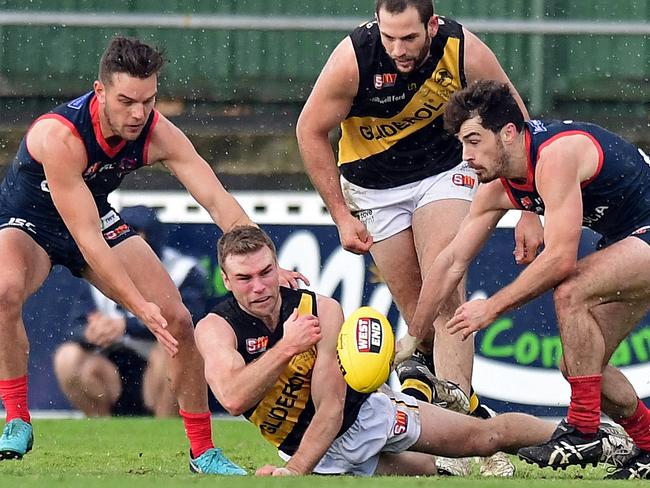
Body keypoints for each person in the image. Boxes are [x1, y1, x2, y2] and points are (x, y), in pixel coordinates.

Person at [0, 37, 305, 474]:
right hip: (29, 221)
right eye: (126, 101)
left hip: (93, 217)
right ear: (100, 91)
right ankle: (15, 418)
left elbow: (216, 199)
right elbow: (88, 241)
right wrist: (136, 305)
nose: (138, 114)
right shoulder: (59, 136)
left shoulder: (155, 130)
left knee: (178, 321)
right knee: (4, 291)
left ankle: (203, 452)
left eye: (148, 101)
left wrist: (265, 264)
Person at [194, 225, 635, 477]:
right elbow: (233, 397)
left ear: (278, 266)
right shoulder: (216, 328)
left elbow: (330, 409)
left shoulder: (319, 309)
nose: (259, 287)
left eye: (266, 272)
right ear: (227, 280)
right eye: (245, 278)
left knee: (485, 438)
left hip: (367, 418)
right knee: (438, 476)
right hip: (307, 449)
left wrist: (294, 475)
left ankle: (596, 436)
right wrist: (287, 348)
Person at [296, 0, 542, 444]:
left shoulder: (462, 48)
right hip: (373, 187)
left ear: (432, 24)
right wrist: (339, 216)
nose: (398, 49)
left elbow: (514, 117)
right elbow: (309, 130)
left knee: (446, 293)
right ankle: (455, 414)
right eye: (389, 37)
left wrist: (529, 205)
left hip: (444, 171)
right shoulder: (354, 58)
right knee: (419, 324)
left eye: (409, 37)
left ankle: (466, 444)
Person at [407, 79, 650, 479]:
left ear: (507, 132)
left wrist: (491, 308)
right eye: (461, 144)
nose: (465, 156)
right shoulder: (497, 184)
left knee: (570, 288)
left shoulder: (554, 157)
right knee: (579, 367)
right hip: (629, 241)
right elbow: (450, 260)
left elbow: (559, 261)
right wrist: (414, 337)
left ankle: (584, 429)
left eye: (473, 141)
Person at [53, 205, 209, 417]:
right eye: (116, 233)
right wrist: (91, 332)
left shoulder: (182, 270)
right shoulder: (98, 267)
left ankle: (165, 430)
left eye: (131, 234)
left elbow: (190, 322)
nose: (121, 241)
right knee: (67, 356)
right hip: (112, 366)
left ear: (151, 238)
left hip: (158, 363)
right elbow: (75, 326)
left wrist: (127, 326)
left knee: (175, 348)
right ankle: (102, 429)